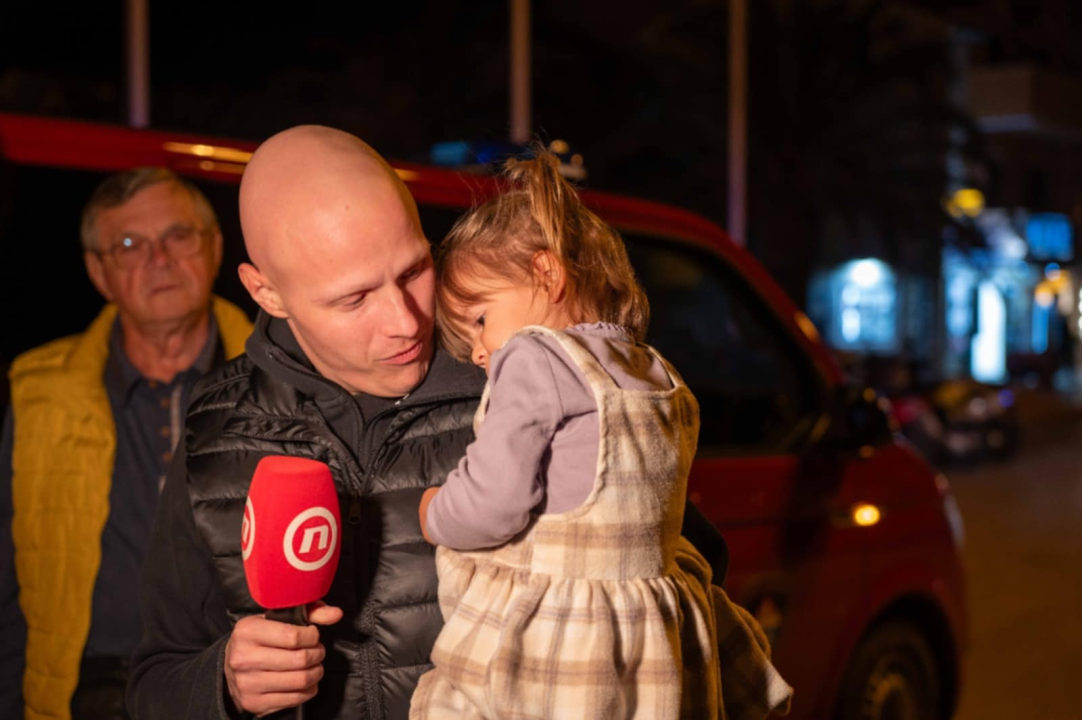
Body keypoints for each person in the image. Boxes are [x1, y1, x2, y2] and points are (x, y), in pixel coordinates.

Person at [128, 127, 730, 720]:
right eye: (355, 299)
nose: (406, 321)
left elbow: (685, 610)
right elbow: (153, 683)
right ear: (267, 292)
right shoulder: (218, 425)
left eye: (415, 270)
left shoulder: (532, 380)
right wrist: (225, 684)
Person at [413, 151, 792, 719]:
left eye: (480, 320)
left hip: (567, 641)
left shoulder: (536, 357)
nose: (477, 351)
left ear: (547, 274)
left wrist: (435, 511)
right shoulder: (658, 373)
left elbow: (493, 502)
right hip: (652, 635)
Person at [0, 167, 253, 720]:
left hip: (231, 686)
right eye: (131, 245)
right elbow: (7, 578)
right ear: (99, 272)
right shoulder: (36, 392)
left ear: (214, 247)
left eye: (178, 235)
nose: (159, 259)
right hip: (84, 691)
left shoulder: (282, 381)